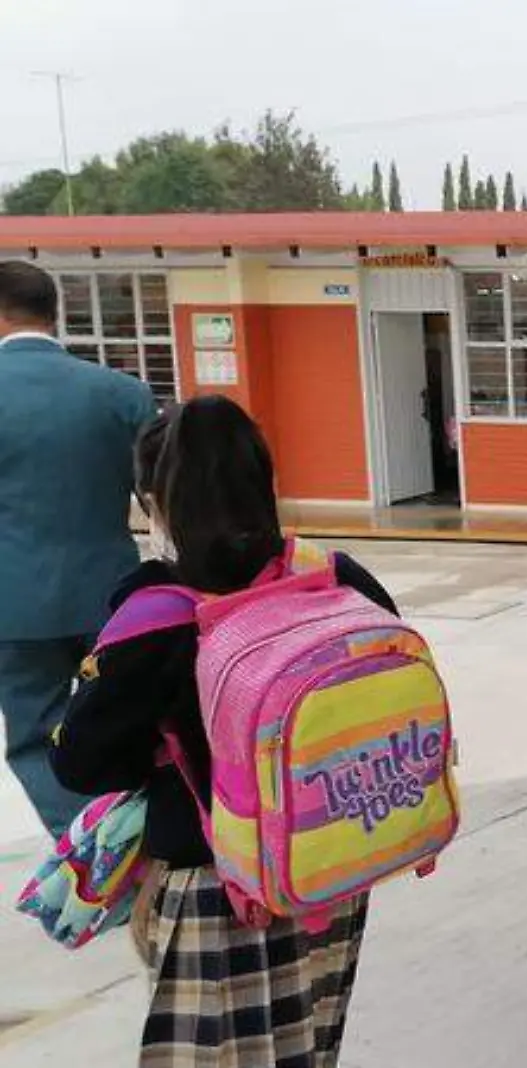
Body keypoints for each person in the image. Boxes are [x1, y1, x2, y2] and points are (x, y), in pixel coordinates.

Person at [52, 396, 396, 1066]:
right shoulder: (331, 577)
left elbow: (81, 763)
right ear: (263, 484)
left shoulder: (156, 617)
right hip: (325, 869)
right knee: (307, 1042)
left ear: (155, 500)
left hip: (213, 882)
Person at [0, 260, 153, 840]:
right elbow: (163, 500)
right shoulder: (121, 393)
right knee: (126, 723)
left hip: (13, 607)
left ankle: (91, 852)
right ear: (53, 313)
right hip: (112, 599)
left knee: (36, 737)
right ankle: (140, 835)